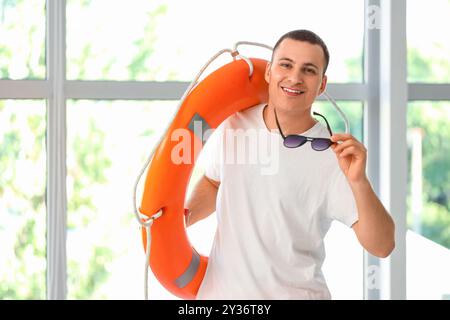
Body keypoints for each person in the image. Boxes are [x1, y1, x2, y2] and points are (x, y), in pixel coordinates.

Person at [185, 30, 395, 299]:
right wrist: (181, 218)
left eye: (308, 70)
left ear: (322, 84)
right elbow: (214, 182)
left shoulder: (334, 155)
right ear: (269, 72)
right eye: (286, 65)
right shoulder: (235, 124)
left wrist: (358, 182)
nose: (295, 77)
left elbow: (383, 245)